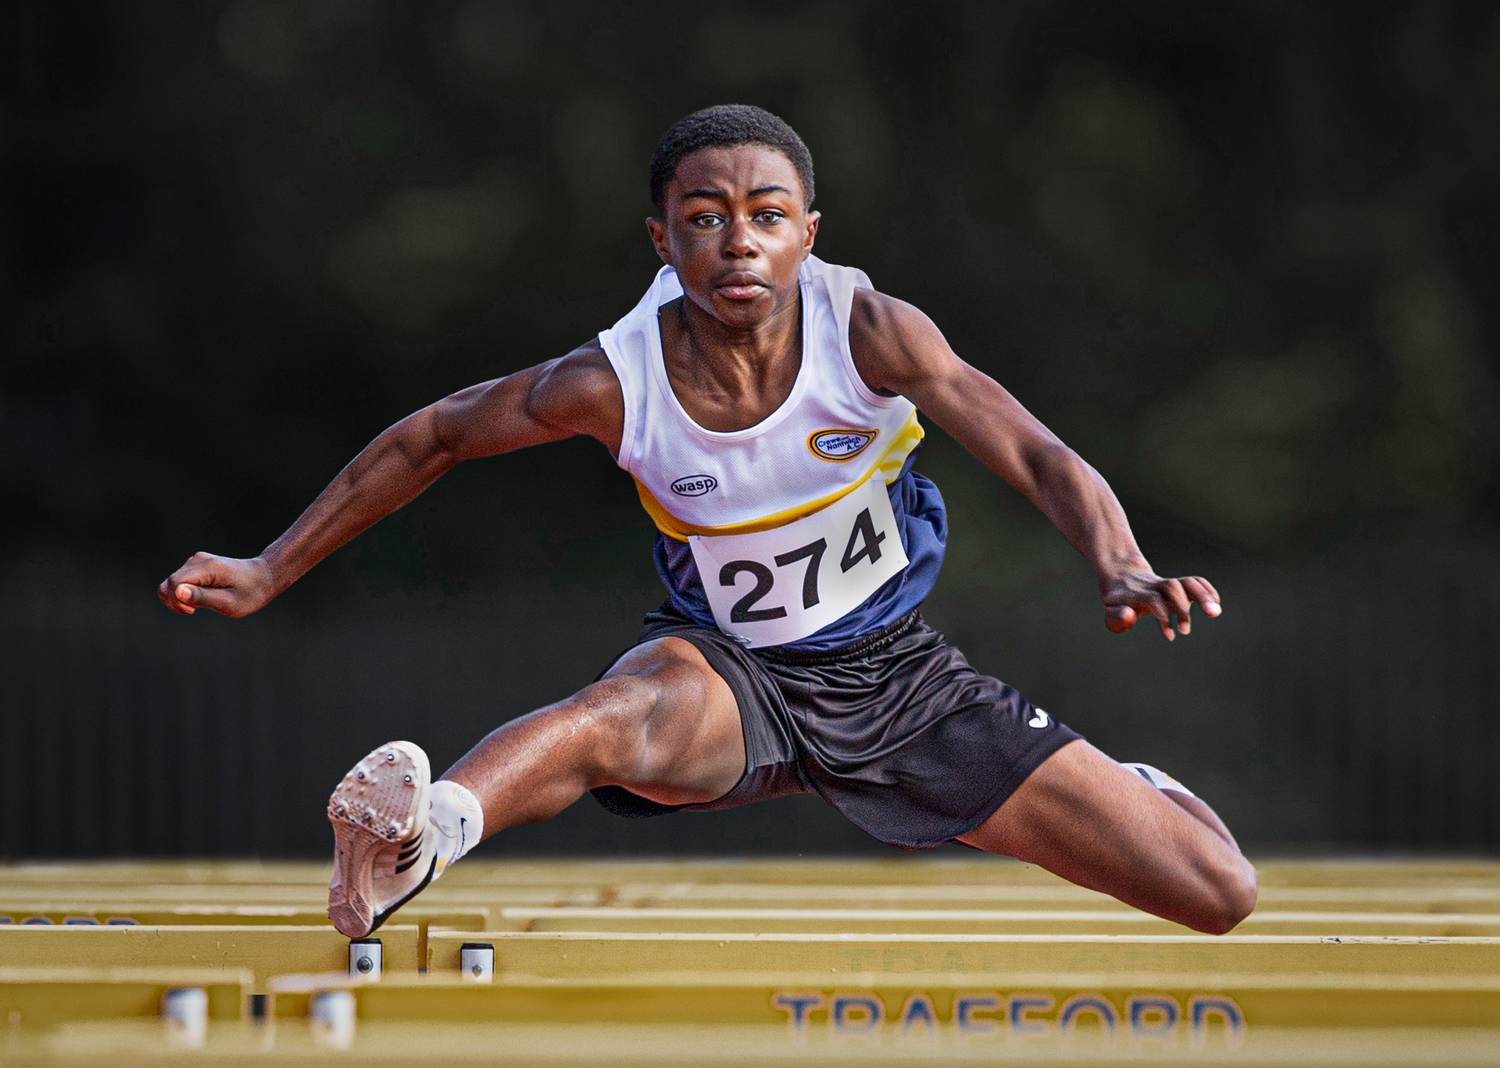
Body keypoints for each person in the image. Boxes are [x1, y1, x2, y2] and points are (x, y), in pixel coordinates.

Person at [158, 104, 1257, 940]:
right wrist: (269, 564)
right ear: (662, 241)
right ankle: (416, 839)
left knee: (1217, 894)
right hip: (738, 679)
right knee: (615, 717)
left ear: (807, 233)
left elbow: (1031, 447)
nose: (739, 243)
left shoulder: (871, 331)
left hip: (901, 680)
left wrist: (1121, 563)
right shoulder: (612, 380)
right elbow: (432, 436)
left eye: (767, 218)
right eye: (705, 219)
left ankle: (1131, 790)